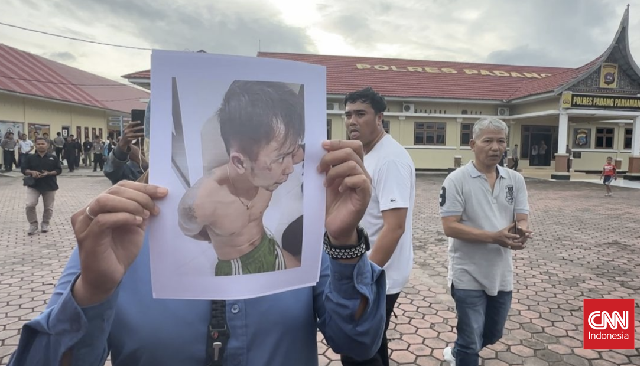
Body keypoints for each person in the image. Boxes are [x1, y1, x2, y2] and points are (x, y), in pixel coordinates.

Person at [7, 100, 387, 366]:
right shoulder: (113, 241)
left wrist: (344, 243)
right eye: (206, 168)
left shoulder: (296, 239)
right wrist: (90, 293)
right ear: (154, 152)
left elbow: (359, 341)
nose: (219, 181)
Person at [177, 81, 304, 276]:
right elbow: (191, 231)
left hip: (268, 245)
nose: (290, 168)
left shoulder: (268, 174)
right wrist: (222, 235)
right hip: (235, 267)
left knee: (309, 279)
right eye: (280, 158)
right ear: (239, 162)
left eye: (291, 154)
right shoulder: (200, 202)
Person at [439, 117, 532, 366]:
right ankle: (463, 354)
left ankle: (457, 352)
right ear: (473, 144)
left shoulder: (515, 180)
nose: (495, 147)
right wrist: (494, 237)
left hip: (501, 272)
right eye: (488, 140)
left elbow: (521, 218)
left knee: (492, 333)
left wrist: (520, 232)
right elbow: (450, 226)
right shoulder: (456, 180)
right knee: (471, 341)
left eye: (501, 141)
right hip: (467, 272)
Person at [340, 87, 415, 366]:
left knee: (357, 348)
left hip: (377, 275)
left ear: (379, 117)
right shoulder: (367, 153)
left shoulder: (390, 160)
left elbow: (394, 227)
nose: (352, 121)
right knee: (371, 343)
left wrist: (364, 282)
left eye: (361, 114)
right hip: (366, 269)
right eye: (348, 114)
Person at [20, 137, 62, 235]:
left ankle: (45, 223)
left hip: (49, 185)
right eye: (38, 144)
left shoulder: (53, 157)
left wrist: (49, 173)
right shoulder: (30, 157)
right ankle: (33, 224)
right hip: (34, 185)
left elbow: (59, 170)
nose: (40, 145)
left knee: (48, 207)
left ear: (47, 145)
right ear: (35, 145)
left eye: (43, 144)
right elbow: (23, 169)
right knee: (30, 204)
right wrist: (31, 172)